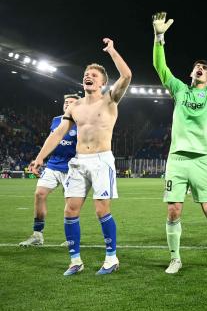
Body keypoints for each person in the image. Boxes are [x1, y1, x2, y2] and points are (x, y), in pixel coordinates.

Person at [29, 38, 132, 276]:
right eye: (87, 73)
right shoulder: (74, 107)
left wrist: (113, 51)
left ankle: (111, 258)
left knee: (101, 210)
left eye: (94, 75)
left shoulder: (110, 99)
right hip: (77, 162)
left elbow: (126, 76)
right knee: (70, 210)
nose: (89, 76)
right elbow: (57, 134)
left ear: (103, 82)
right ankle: (75, 261)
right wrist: (40, 157)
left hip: (101, 161)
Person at [152, 11, 207, 274]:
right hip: (177, 158)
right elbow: (160, 67)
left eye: (206, 68)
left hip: (202, 159)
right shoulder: (179, 89)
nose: (201, 69)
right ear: (192, 73)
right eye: (197, 67)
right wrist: (159, 37)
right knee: (174, 212)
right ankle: (175, 258)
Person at [20, 94, 79, 247]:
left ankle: (71, 237)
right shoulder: (56, 120)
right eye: (66, 102)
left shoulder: (83, 121)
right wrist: (41, 158)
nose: (68, 104)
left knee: (70, 203)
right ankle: (37, 235)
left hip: (72, 167)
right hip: (53, 164)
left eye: (72, 103)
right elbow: (51, 141)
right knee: (39, 194)